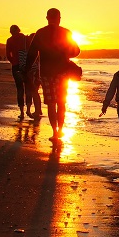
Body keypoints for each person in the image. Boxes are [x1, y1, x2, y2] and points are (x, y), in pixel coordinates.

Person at [24, 8, 79, 142]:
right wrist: (65, 53)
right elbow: (76, 51)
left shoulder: (41, 33)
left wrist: (26, 70)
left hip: (47, 73)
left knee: (51, 103)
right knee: (61, 102)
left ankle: (55, 132)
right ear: (59, 18)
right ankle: (60, 130)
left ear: (47, 18)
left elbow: (32, 53)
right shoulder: (66, 33)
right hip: (62, 72)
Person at [5, 25, 28, 120]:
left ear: (11, 31)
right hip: (26, 65)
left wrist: (13, 61)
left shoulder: (9, 40)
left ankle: (22, 112)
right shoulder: (24, 38)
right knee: (29, 88)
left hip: (16, 66)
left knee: (20, 88)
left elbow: (8, 54)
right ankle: (30, 109)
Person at [24, 33, 43, 120]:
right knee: (34, 92)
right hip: (34, 74)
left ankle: (35, 110)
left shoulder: (29, 50)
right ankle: (37, 110)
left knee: (30, 91)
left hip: (31, 73)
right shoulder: (37, 50)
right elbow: (39, 64)